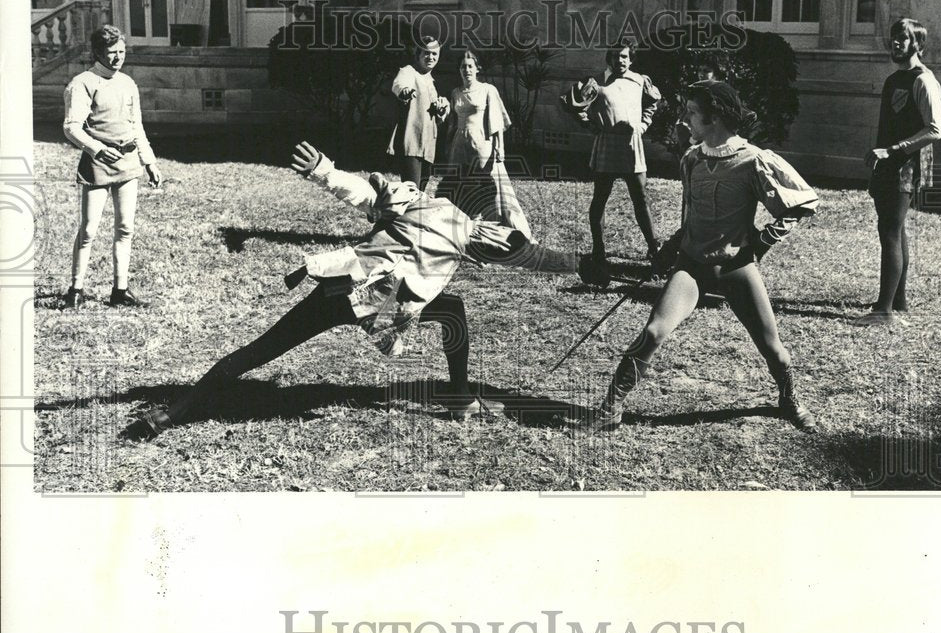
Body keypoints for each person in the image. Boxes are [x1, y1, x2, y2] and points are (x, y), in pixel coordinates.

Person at [124, 142, 596, 440]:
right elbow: (529, 255)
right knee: (451, 313)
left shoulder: (420, 199)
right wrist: (584, 264)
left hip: (342, 283)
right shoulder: (467, 228)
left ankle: (172, 413)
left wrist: (323, 170)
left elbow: (365, 194)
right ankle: (457, 396)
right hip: (375, 299)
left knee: (264, 349)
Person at [586, 81, 819, 432]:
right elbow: (691, 215)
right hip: (691, 267)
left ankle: (789, 400)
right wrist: (670, 248)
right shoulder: (692, 159)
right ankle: (611, 407)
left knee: (772, 348)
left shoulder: (753, 160)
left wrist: (761, 241)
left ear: (716, 117)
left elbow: (804, 203)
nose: (685, 119)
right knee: (653, 332)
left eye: (692, 112)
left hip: (736, 268)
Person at [62, 24, 162, 309]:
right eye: (112, 52)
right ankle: (76, 290)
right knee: (89, 229)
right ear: (97, 52)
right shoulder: (82, 83)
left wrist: (149, 161)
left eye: (122, 51)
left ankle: (120, 290)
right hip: (98, 165)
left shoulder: (128, 83)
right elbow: (72, 127)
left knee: (125, 228)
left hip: (129, 165)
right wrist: (97, 149)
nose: (118, 58)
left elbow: (136, 126)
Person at [858, 17, 941, 326]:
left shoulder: (923, 80)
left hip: (904, 167)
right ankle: (898, 300)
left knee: (890, 232)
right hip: (889, 165)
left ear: (918, 44)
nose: (896, 42)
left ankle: (884, 311)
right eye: (894, 37)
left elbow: (935, 130)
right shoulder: (894, 79)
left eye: (904, 39)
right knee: (894, 229)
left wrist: (893, 150)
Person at [562, 40, 661, 264]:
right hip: (607, 144)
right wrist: (588, 123)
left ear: (631, 58)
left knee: (641, 198)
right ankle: (599, 249)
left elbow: (652, 103)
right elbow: (571, 103)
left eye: (625, 56)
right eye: (616, 57)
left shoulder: (639, 81)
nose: (620, 61)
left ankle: (654, 248)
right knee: (600, 198)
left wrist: (643, 125)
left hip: (632, 145)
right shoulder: (596, 82)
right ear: (610, 59)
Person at [437, 51, 532, 238]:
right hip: (459, 145)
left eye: (470, 66)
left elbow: (497, 120)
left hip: (481, 145)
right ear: (459, 69)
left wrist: (500, 147)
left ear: (477, 68)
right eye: (463, 66)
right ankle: (461, 229)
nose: (467, 70)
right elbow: (452, 122)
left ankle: (489, 230)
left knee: (484, 187)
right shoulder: (455, 92)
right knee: (460, 185)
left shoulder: (488, 90)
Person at [386, 36, 449, 191]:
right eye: (427, 53)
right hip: (411, 142)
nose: (431, 57)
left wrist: (442, 108)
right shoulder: (408, 71)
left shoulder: (432, 82)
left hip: (428, 145)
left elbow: (437, 117)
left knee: (420, 192)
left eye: (435, 54)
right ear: (419, 54)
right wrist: (404, 91)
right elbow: (399, 85)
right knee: (411, 191)